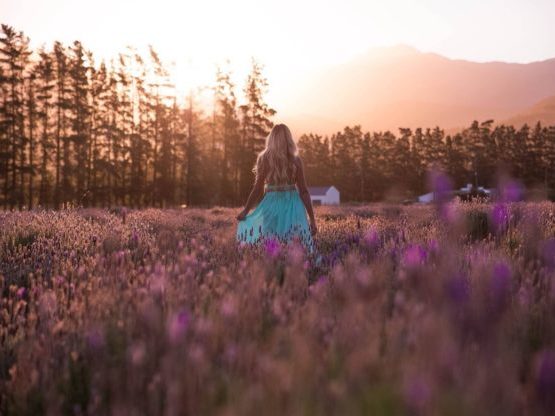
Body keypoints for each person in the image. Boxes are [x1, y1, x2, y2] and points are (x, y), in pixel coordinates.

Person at [236, 123, 317, 254]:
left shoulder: (264, 159)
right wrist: (312, 220)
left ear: (271, 139)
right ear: (289, 139)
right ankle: (294, 271)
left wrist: (246, 210)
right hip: (292, 205)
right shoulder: (296, 160)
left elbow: (257, 189)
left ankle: (273, 271)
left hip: (271, 205)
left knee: (271, 244)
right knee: (295, 245)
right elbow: (304, 191)